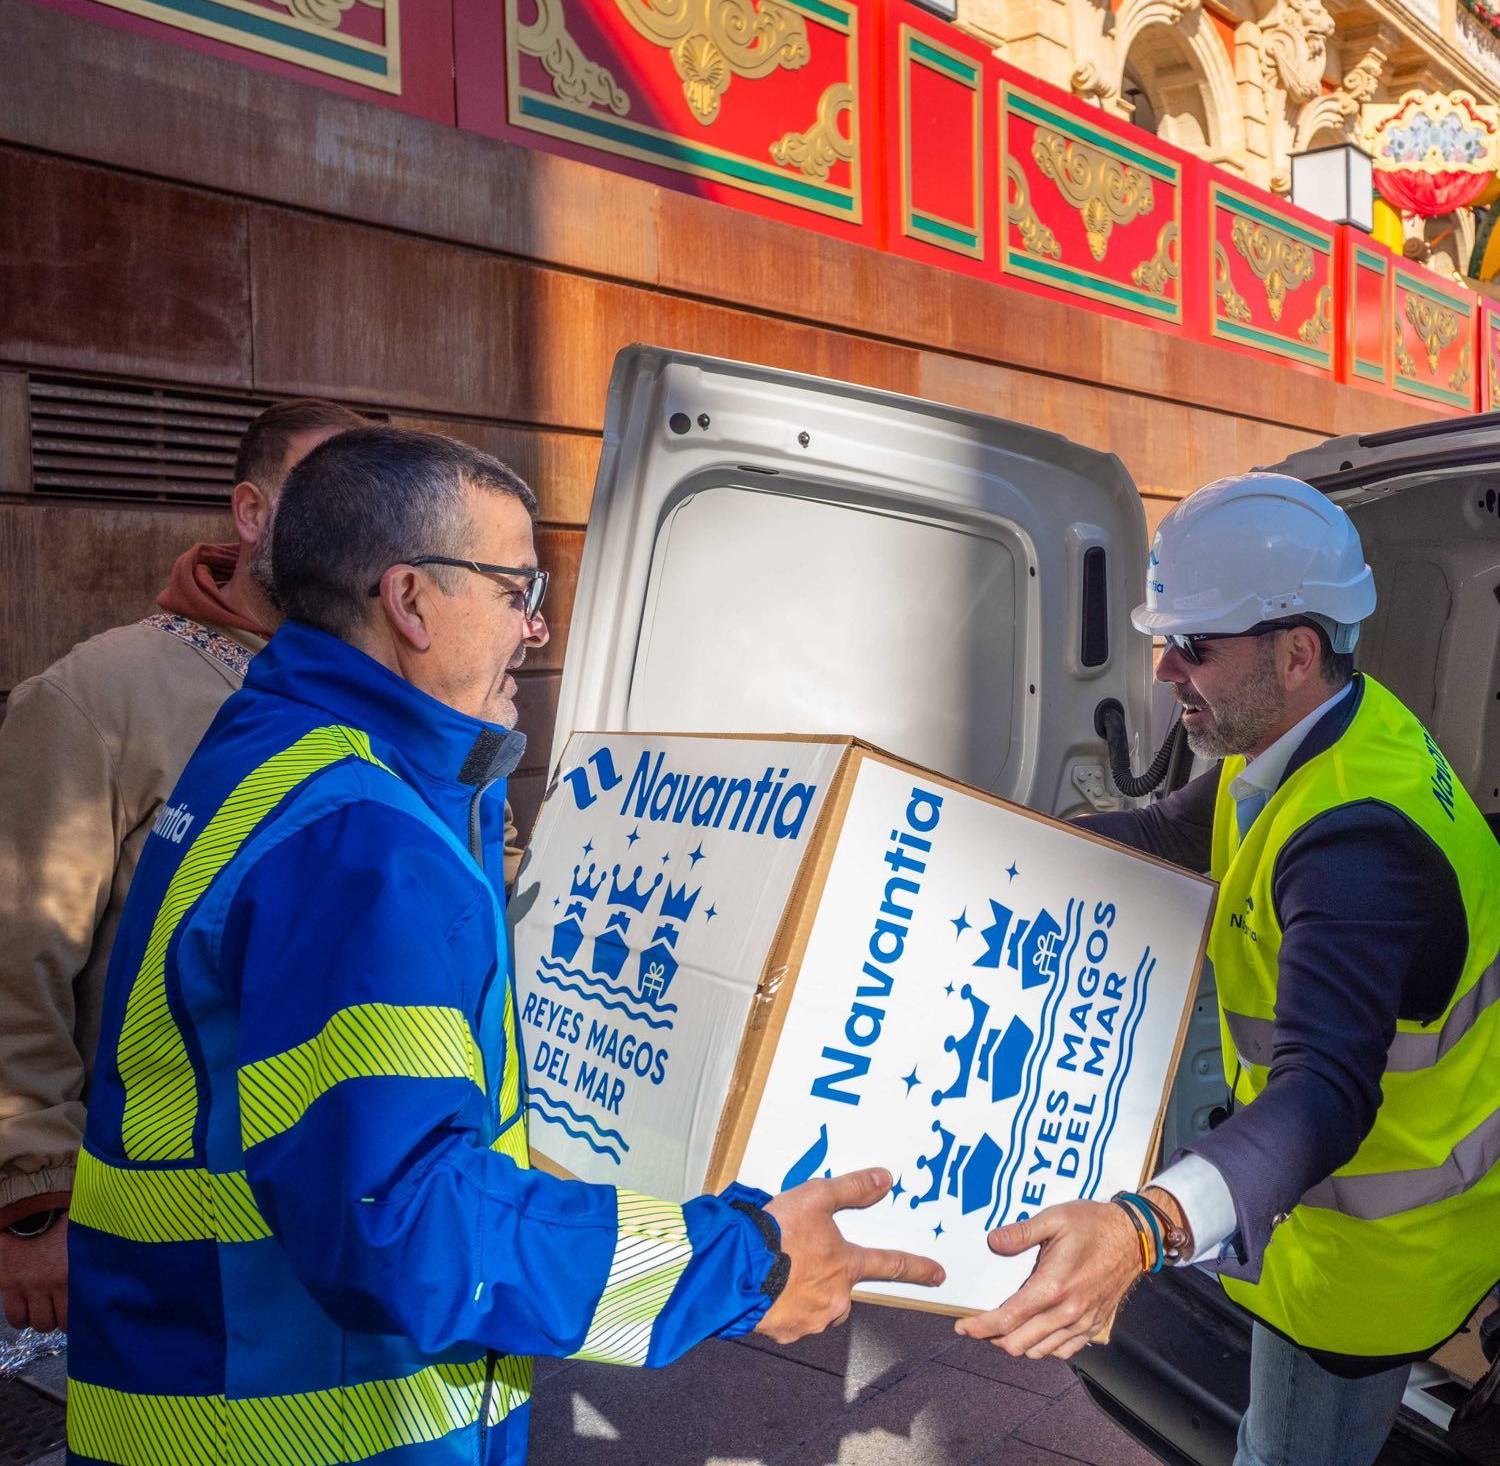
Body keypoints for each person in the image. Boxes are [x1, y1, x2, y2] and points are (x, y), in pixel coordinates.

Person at [65, 426, 941, 1465]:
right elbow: (407, 1220)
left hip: (204, 1380)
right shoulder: (362, 839)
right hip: (297, 1424)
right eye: (517, 588)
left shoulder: (279, 746)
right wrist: (744, 1263)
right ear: (411, 600)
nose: (535, 627)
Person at [959, 474, 1500, 1466]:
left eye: (1193, 646)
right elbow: (1165, 832)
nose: (1166, 670)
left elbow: (1322, 1097)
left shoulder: (1353, 848)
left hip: (1381, 1243)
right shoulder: (1339, 729)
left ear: (1295, 651)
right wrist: (951, 840)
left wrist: (1146, 1228)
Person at [0, 397, 364, 1337]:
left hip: (340, 1214)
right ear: (251, 513)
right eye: (326, 497)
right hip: (158, 1228)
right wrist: (32, 1193)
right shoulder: (98, 695)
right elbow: (15, 955)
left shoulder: (384, 686)